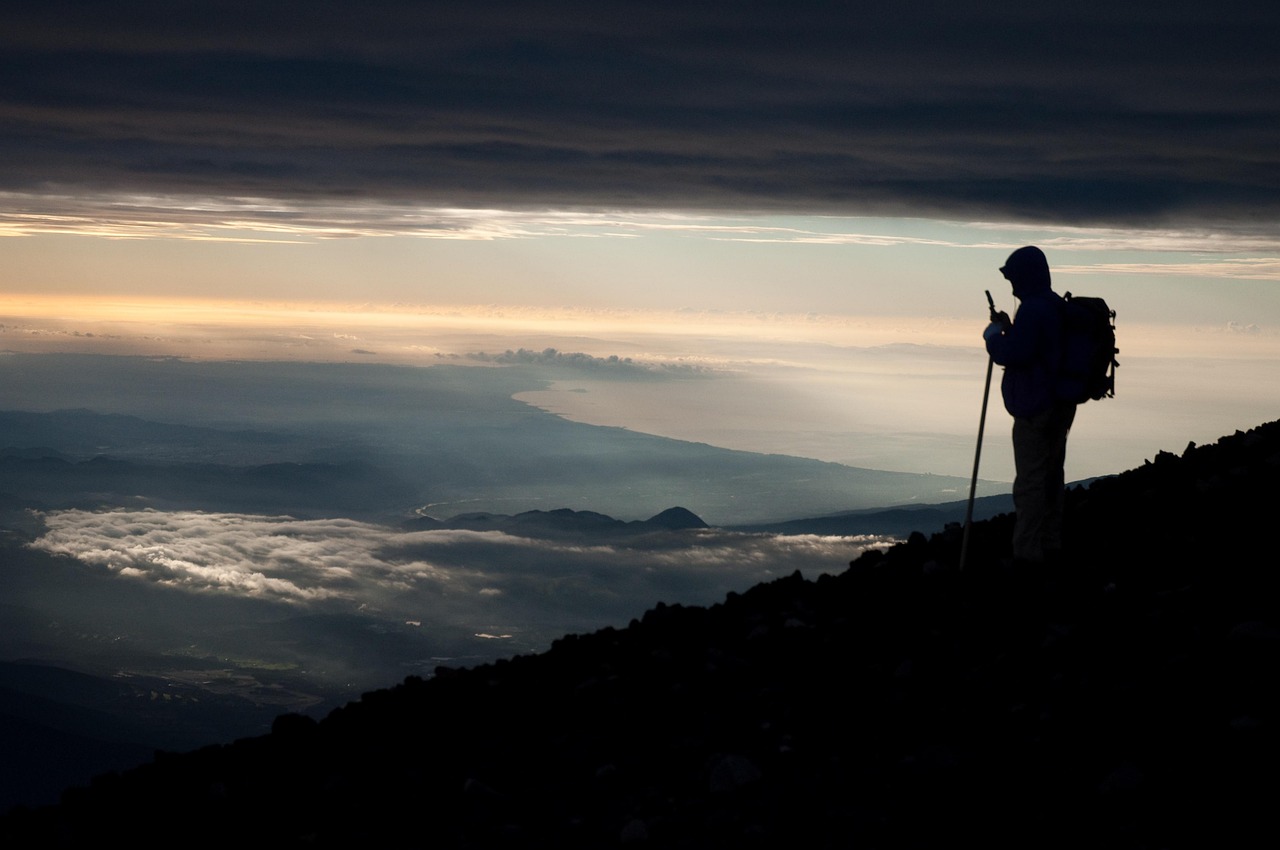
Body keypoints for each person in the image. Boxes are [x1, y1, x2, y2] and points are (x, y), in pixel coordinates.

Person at [983, 245, 1076, 566]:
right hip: (1060, 405)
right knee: (1051, 476)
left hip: (1036, 407)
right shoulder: (1054, 306)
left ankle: (1027, 554)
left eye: (1015, 277)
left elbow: (1014, 354)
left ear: (1027, 276)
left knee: (1031, 482)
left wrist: (993, 337)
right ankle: (1051, 545)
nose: (1012, 285)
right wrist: (1010, 328)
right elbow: (1038, 348)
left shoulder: (1034, 309)